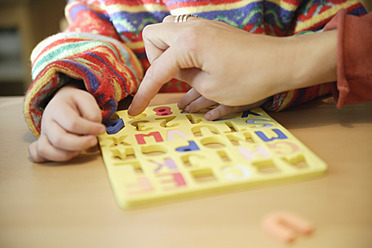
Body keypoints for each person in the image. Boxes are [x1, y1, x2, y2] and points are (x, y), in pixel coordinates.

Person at [24, 0, 369, 163]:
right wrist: (70, 88)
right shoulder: (111, 5)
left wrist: (277, 76)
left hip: (261, 161)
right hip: (152, 168)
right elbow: (86, 39)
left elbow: (342, 33)